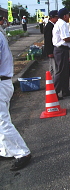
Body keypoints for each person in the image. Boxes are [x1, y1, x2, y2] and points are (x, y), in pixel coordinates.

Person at [0, 32, 32, 171]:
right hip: (3, 81)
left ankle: (22, 153)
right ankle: (6, 150)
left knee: (2, 121)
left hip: (1, 82)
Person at [43, 10, 59, 79]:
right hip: (51, 50)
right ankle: (55, 83)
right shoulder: (49, 26)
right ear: (52, 17)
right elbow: (47, 40)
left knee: (52, 67)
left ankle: (50, 81)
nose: (58, 19)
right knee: (55, 67)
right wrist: (49, 52)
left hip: (52, 49)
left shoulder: (53, 25)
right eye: (56, 17)